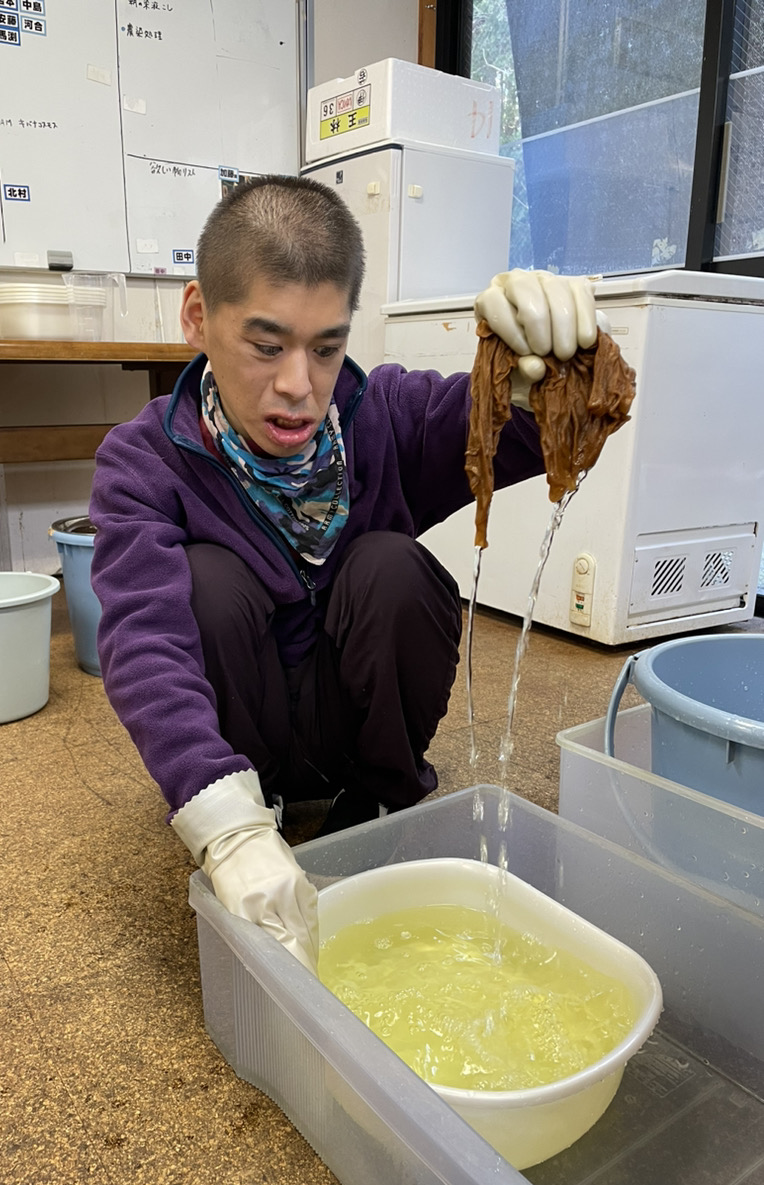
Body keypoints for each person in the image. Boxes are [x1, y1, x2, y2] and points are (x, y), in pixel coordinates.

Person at [88, 175, 598, 973]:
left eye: (326, 347)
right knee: (203, 585)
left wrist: (564, 365)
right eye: (266, 345)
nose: (298, 385)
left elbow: (535, 430)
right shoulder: (143, 459)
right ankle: (259, 801)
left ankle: (382, 790)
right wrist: (224, 823)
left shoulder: (382, 414)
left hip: (351, 724)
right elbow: (144, 640)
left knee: (393, 565)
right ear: (197, 317)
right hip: (240, 740)